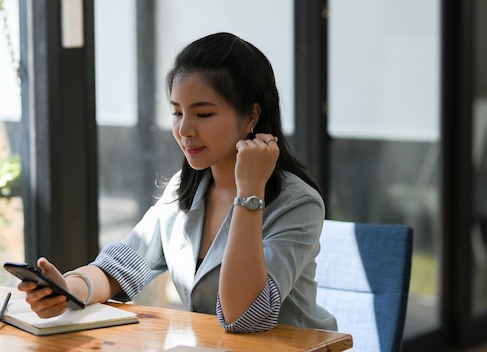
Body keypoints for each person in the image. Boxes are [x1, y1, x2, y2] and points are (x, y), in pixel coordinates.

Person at [18, 32, 337, 333]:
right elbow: (121, 266)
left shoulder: (298, 202)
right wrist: (67, 291)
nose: (184, 129)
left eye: (204, 114)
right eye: (176, 112)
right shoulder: (184, 189)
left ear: (252, 116)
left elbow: (244, 317)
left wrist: (249, 193)